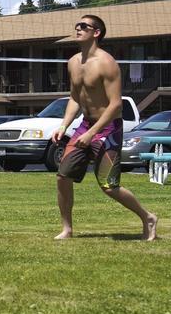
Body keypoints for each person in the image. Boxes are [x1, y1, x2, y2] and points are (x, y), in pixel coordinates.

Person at [52, 15, 158, 241]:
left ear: (96, 32)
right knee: (63, 176)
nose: (78, 29)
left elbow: (116, 105)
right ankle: (67, 229)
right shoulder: (73, 62)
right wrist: (64, 125)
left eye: (84, 26)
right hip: (85, 125)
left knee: (109, 186)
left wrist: (92, 134)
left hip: (108, 129)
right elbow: (74, 98)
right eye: (77, 26)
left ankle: (148, 217)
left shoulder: (106, 63)